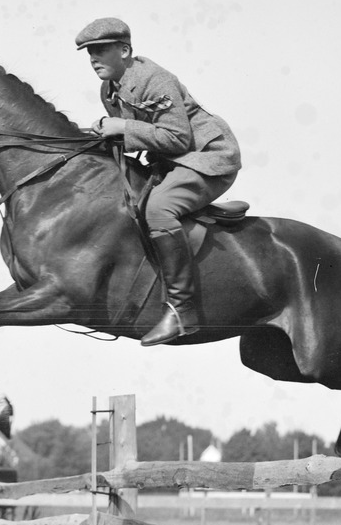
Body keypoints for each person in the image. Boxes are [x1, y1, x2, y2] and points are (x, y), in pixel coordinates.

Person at [76, 17, 241, 346]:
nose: (93, 58)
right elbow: (137, 137)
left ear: (124, 50)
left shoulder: (154, 78)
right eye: (89, 52)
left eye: (100, 50)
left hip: (206, 159)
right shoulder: (109, 90)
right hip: (169, 162)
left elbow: (177, 138)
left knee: (158, 211)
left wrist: (122, 129)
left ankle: (182, 311)